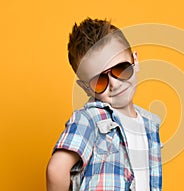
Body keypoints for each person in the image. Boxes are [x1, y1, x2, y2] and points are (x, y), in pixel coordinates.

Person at [46, 18, 162, 191]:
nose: (114, 84)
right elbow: (56, 170)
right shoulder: (89, 119)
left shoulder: (150, 125)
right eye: (99, 81)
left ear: (134, 60)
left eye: (120, 69)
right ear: (86, 88)